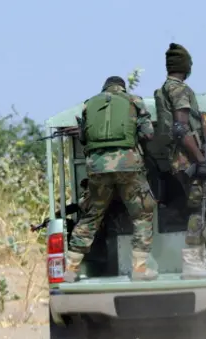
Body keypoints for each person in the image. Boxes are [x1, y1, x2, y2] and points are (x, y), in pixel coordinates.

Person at [63, 76, 158, 282]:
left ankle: (71, 268)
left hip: (97, 167)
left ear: (104, 88)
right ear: (122, 88)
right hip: (128, 165)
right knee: (142, 215)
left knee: (92, 215)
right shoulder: (134, 101)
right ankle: (140, 269)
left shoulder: (89, 105)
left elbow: (83, 138)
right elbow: (148, 133)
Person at [153, 43, 206, 278]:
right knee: (199, 206)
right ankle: (192, 261)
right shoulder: (179, 90)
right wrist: (200, 158)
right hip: (187, 158)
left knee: (205, 204)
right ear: (185, 66)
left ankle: (201, 256)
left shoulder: (166, 88)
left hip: (181, 157)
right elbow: (180, 127)